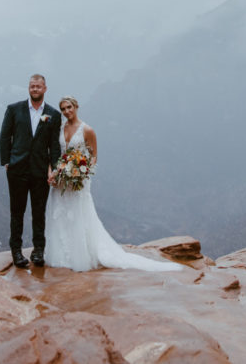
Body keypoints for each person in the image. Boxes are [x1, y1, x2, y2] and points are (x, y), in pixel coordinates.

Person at [45, 96, 182, 272]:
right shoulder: (59, 129)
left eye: (69, 107)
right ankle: (62, 255)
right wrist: (52, 172)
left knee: (78, 215)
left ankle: (81, 255)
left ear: (76, 107)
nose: (66, 111)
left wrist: (81, 172)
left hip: (78, 180)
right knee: (60, 214)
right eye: (63, 109)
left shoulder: (87, 130)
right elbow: (52, 153)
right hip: (60, 180)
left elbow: (93, 157)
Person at [0, 74, 62, 268]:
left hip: (40, 171)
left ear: (45, 89)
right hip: (17, 169)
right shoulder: (14, 109)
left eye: (38, 86)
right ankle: (16, 252)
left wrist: (54, 169)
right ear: (29, 88)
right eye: (32, 86)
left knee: (38, 211)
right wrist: (7, 162)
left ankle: (38, 251)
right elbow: (4, 137)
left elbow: (54, 145)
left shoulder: (53, 114)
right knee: (17, 212)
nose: (34, 89)